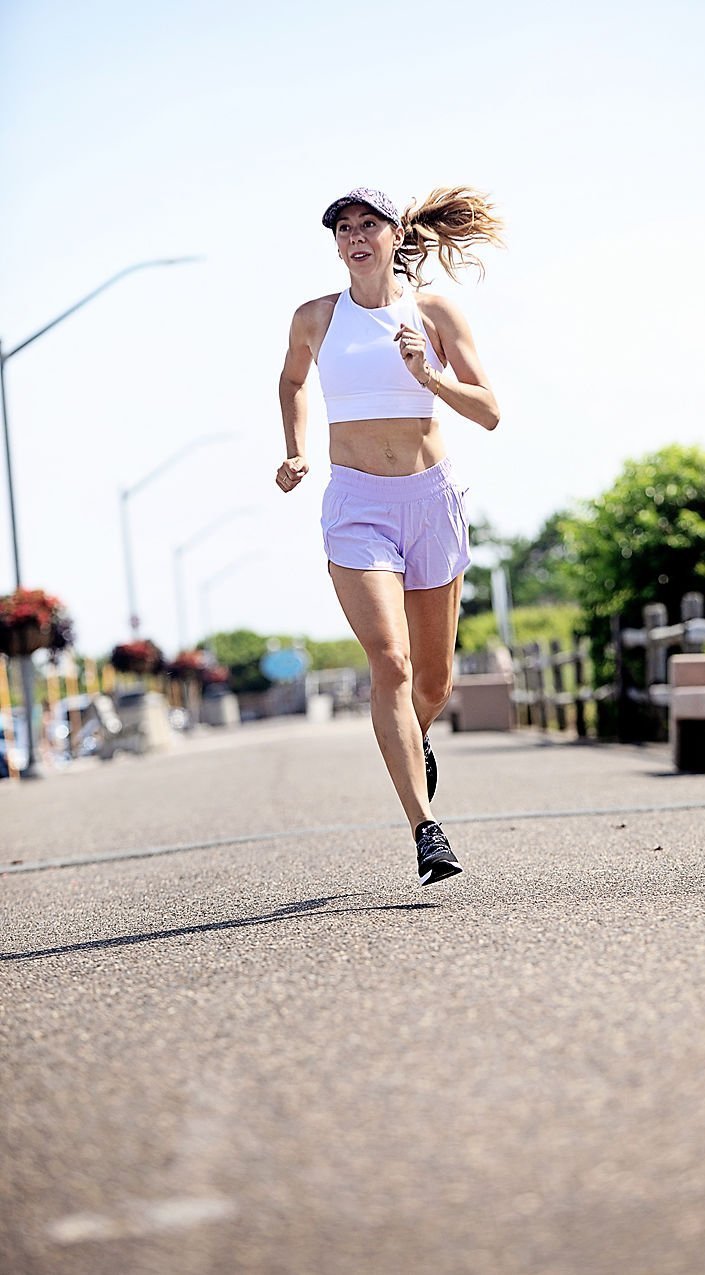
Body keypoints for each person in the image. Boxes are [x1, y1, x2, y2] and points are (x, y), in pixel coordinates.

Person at [276, 185, 502, 885]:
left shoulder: (432, 313)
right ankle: (425, 829)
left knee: (433, 681)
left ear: (394, 232)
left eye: (366, 223)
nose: (353, 236)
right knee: (392, 665)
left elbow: (490, 410)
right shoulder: (316, 317)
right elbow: (291, 382)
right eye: (342, 227)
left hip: (431, 501)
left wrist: (427, 376)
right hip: (357, 506)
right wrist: (295, 448)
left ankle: (413, 738)